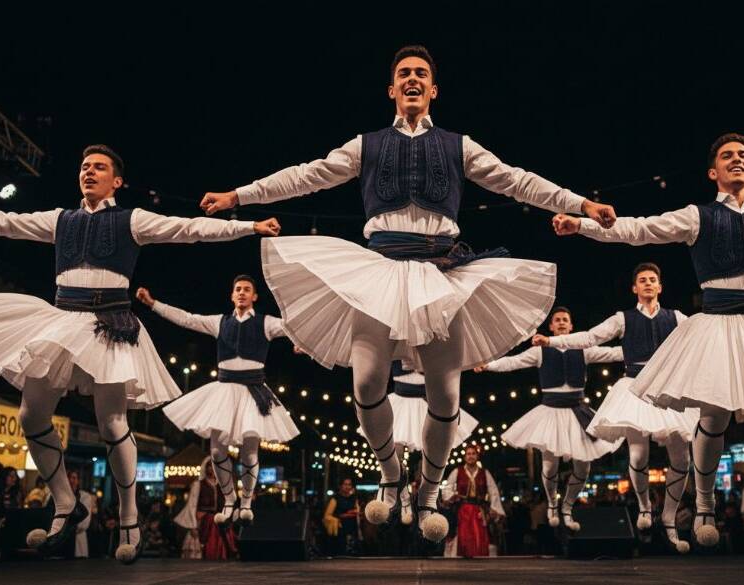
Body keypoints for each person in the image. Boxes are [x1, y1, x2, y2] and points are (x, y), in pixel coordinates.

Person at [200, 45, 616, 543]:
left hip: (441, 274)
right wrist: (239, 197)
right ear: (392, 89)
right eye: (404, 74)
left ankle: (429, 489)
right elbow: (306, 175)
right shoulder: (367, 144)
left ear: (433, 89)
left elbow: (517, 181)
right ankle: (392, 472)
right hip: (378, 271)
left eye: (421, 73)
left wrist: (580, 202)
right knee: (367, 384)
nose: (413, 79)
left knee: (446, 395)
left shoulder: (460, 146)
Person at [553, 133, 744, 581]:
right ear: (713, 172)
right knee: (713, 415)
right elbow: (641, 229)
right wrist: (584, 225)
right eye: (728, 156)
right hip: (719, 326)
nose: (737, 160)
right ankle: (706, 505)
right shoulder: (698, 216)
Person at [0, 144, 280, 563]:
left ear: (117, 181)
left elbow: (189, 229)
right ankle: (64, 503)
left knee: (112, 422)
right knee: (30, 416)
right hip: (62, 318)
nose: (88, 172)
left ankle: (129, 517)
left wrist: (248, 228)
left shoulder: (131, 219)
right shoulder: (61, 219)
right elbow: (3, 222)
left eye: (99, 167)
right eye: (84, 166)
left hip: (110, 323)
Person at [532, 263, 698, 552]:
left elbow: (701, 338)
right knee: (638, 451)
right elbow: (590, 337)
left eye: (652, 280)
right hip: (635, 386)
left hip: (668, 387)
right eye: (642, 280)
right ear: (634, 288)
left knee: (682, 456)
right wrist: (552, 341)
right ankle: (645, 508)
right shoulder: (624, 318)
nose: (647, 283)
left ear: (660, 287)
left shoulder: (677, 318)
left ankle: (669, 518)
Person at [137, 276, 299, 527]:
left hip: (253, 391)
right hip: (224, 391)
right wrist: (152, 304)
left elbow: (293, 325)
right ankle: (229, 499)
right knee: (215, 450)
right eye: (238, 289)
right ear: (232, 296)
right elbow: (187, 319)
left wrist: (302, 344)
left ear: (254, 296)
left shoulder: (266, 323)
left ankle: (246, 502)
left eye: (247, 290)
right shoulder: (219, 322)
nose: (242, 293)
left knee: (250, 450)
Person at [475, 307, 623, 531]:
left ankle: (567, 505)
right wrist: (489, 365)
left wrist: (646, 351)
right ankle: (553, 502)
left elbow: (613, 353)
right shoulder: (540, 351)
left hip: (577, 411)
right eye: (558, 320)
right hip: (551, 410)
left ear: (572, 326)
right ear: (551, 326)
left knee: (583, 468)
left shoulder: (584, 349)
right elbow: (513, 362)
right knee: (549, 463)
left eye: (566, 319)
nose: (562, 323)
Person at [362, 361, 478, 525]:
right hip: (401, 399)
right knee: (395, 455)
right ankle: (404, 500)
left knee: (431, 453)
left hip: (428, 398)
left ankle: (427, 496)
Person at [441, 445, 505, 558]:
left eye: (473, 454)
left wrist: (495, 510)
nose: (471, 456)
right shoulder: (457, 471)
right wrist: (452, 496)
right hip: (462, 510)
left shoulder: (484, 473)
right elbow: (447, 489)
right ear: (465, 457)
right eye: (468, 454)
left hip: (479, 511)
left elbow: (493, 491)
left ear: (477, 456)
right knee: (463, 535)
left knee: (480, 536)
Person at [323, 477, 361, 556]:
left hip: (352, 527)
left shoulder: (353, 498)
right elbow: (328, 515)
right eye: (345, 484)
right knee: (341, 552)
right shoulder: (335, 499)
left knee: (352, 552)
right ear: (340, 486)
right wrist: (344, 515)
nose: (347, 487)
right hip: (340, 527)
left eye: (349, 484)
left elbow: (357, 511)